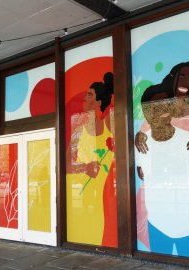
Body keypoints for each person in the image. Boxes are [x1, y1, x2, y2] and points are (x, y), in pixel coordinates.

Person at [135, 85, 189, 258]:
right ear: (147, 113)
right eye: (155, 106)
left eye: (166, 104)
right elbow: (141, 173)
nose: (162, 110)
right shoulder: (142, 144)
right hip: (156, 225)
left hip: (186, 227)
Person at [66, 72, 117, 247]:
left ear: (98, 102)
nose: (84, 99)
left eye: (89, 95)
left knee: (100, 236)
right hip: (81, 198)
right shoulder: (79, 126)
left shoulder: (110, 123)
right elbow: (65, 165)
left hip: (105, 197)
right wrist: (85, 168)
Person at [135, 62, 189, 154]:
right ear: (173, 79)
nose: (185, 82)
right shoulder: (161, 107)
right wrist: (139, 136)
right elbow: (144, 131)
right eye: (181, 77)